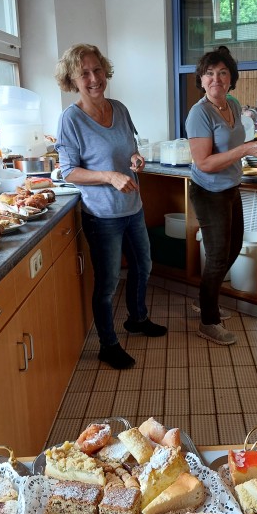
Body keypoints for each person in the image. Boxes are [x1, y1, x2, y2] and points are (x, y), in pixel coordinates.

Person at [55, 43, 166, 370]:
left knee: (143, 266)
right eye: (84, 73)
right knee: (107, 284)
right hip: (102, 216)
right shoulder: (70, 119)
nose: (94, 78)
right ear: (72, 80)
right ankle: (108, 344)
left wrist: (134, 159)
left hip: (133, 207)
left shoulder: (119, 108)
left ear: (106, 71)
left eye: (98, 70)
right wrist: (108, 176)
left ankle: (137, 319)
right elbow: (68, 170)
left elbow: (130, 149)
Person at [186, 46, 257, 345]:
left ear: (231, 78)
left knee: (234, 246)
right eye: (209, 73)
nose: (216, 79)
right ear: (201, 79)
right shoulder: (198, 114)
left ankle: (204, 299)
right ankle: (207, 322)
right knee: (216, 257)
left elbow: (236, 145)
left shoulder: (234, 104)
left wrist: (256, 151)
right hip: (207, 191)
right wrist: (246, 150)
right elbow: (205, 163)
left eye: (222, 73)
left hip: (230, 187)